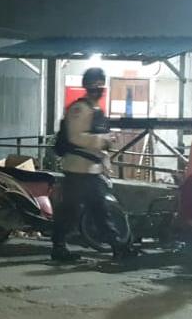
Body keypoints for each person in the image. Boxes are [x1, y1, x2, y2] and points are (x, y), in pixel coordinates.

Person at [50, 67, 136, 262]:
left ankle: (116, 246)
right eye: (94, 84)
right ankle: (61, 247)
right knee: (77, 211)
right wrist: (103, 139)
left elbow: (98, 141)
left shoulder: (96, 110)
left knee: (98, 210)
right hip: (77, 169)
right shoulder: (79, 109)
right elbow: (75, 137)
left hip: (91, 170)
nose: (98, 88)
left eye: (100, 84)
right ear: (87, 86)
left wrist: (106, 154)